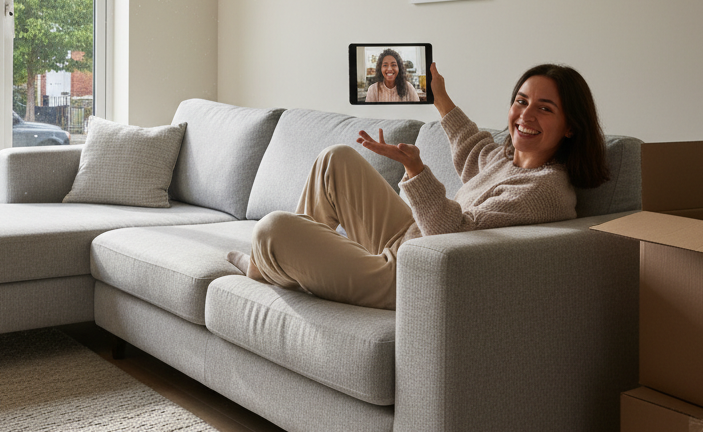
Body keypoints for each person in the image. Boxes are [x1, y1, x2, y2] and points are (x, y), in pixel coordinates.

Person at [227, 62, 610, 310]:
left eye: (544, 108)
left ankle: (268, 263)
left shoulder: (545, 190)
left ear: (571, 126)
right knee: (336, 159)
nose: (525, 115)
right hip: (408, 240)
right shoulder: (503, 159)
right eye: (521, 101)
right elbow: (471, 145)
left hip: (411, 277)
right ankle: (281, 264)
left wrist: (414, 168)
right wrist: (439, 97)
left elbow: (452, 234)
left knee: (273, 228)